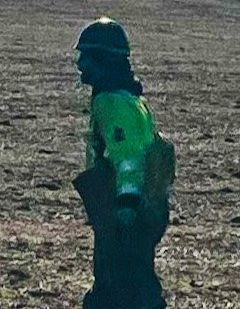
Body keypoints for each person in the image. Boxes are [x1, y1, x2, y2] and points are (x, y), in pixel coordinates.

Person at [74, 18, 175, 309]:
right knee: (135, 281)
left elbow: (127, 157)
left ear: (102, 61)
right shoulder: (130, 100)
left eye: (86, 57)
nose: (81, 64)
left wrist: (126, 206)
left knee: (116, 285)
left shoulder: (111, 104)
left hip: (127, 208)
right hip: (148, 204)